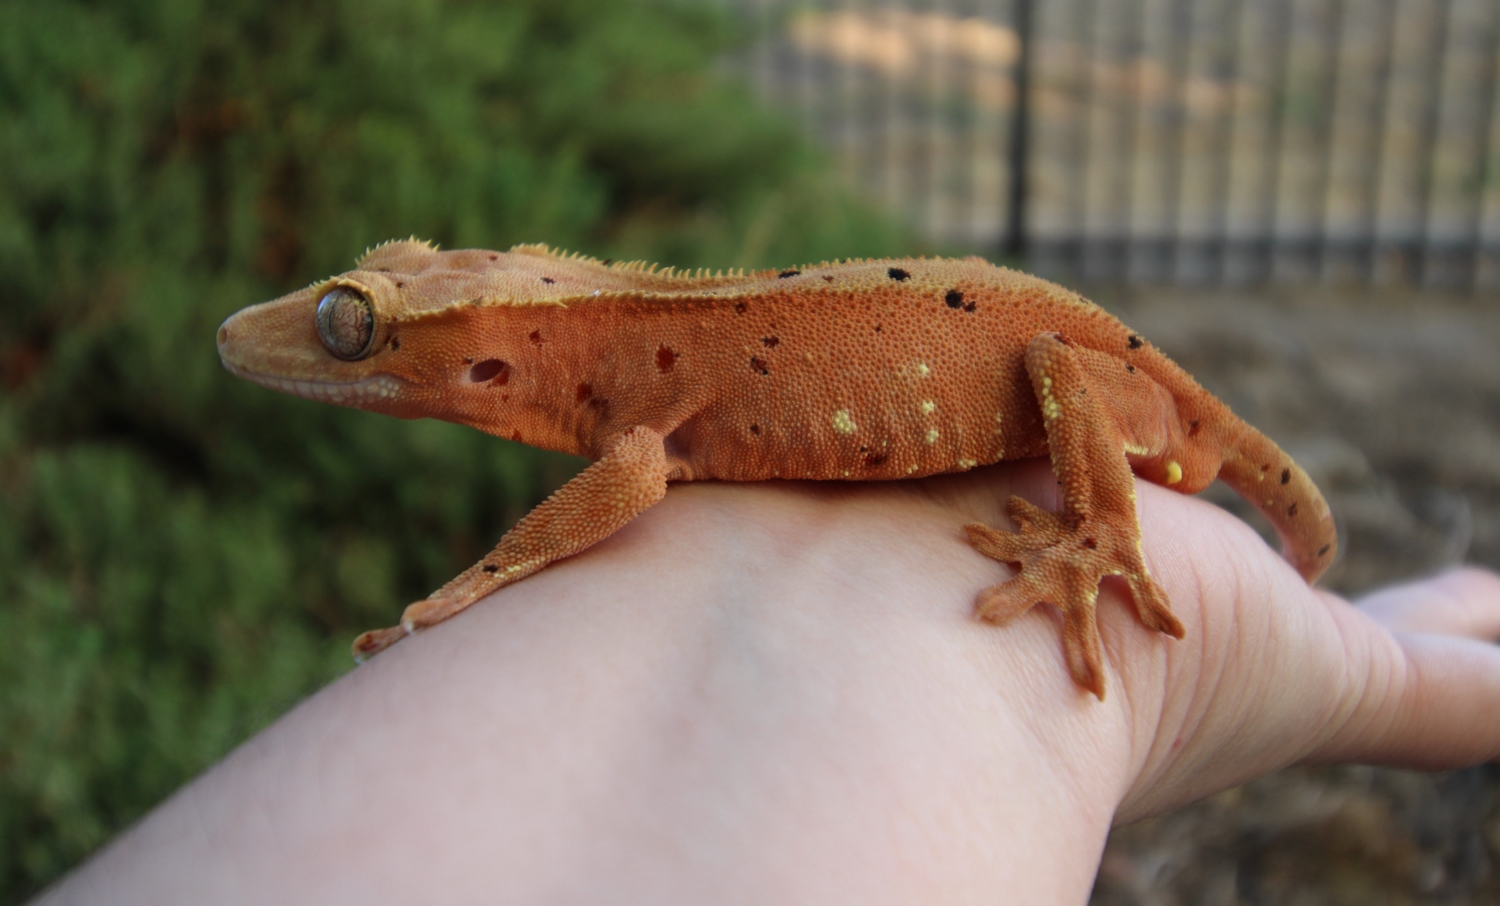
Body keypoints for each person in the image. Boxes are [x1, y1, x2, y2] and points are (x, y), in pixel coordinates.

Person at [36, 460, 1500, 904]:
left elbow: (627, 487)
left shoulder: (628, 427)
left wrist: (1102, 542)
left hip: (1082, 406)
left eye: (355, 326)